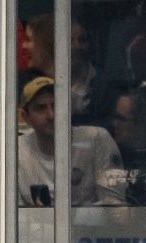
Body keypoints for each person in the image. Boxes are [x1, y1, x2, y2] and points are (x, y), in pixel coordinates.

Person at [18, 76, 126, 207]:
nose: (51, 115)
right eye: (41, 108)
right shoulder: (16, 150)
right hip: (35, 228)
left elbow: (115, 209)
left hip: (91, 228)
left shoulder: (97, 138)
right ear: (26, 117)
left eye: (56, 105)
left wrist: (58, 216)